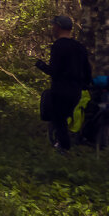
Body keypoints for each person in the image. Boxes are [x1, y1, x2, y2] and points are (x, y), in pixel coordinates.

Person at [36, 14, 92, 153]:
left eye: (53, 26)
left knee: (58, 119)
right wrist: (84, 85)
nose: (52, 28)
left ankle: (64, 149)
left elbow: (55, 71)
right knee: (65, 118)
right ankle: (65, 145)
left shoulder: (58, 46)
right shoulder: (79, 47)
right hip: (76, 92)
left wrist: (41, 66)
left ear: (58, 27)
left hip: (60, 90)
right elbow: (87, 70)